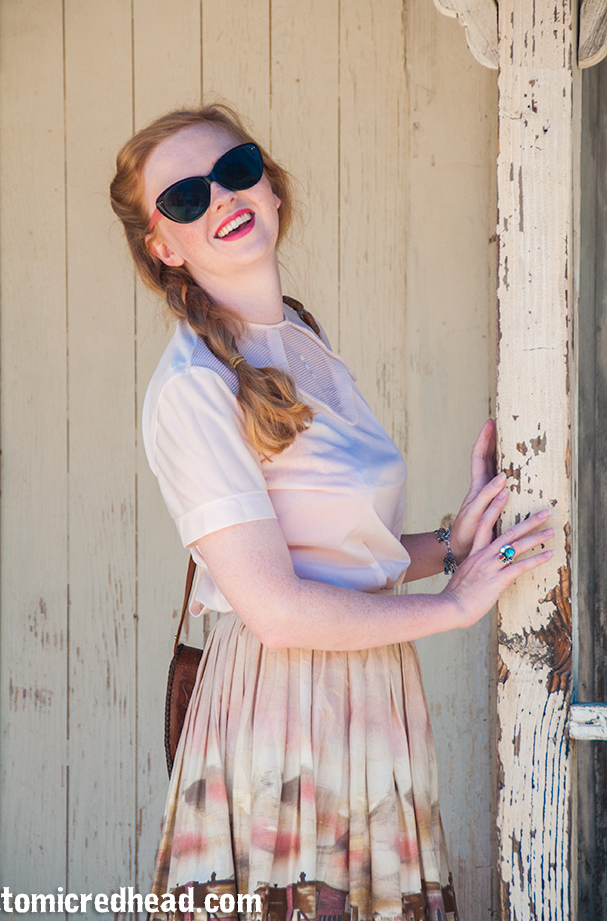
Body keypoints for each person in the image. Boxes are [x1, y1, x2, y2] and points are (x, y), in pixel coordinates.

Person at [110, 103, 554, 921]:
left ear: (270, 189)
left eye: (236, 170)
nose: (220, 196)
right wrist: (454, 607)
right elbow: (275, 611)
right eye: (183, 198)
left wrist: (450, 547)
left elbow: (337, 553)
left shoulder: (300, 339)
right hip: (284, 714)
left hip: (365, 696)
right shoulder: (193, 386)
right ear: (163, 247)